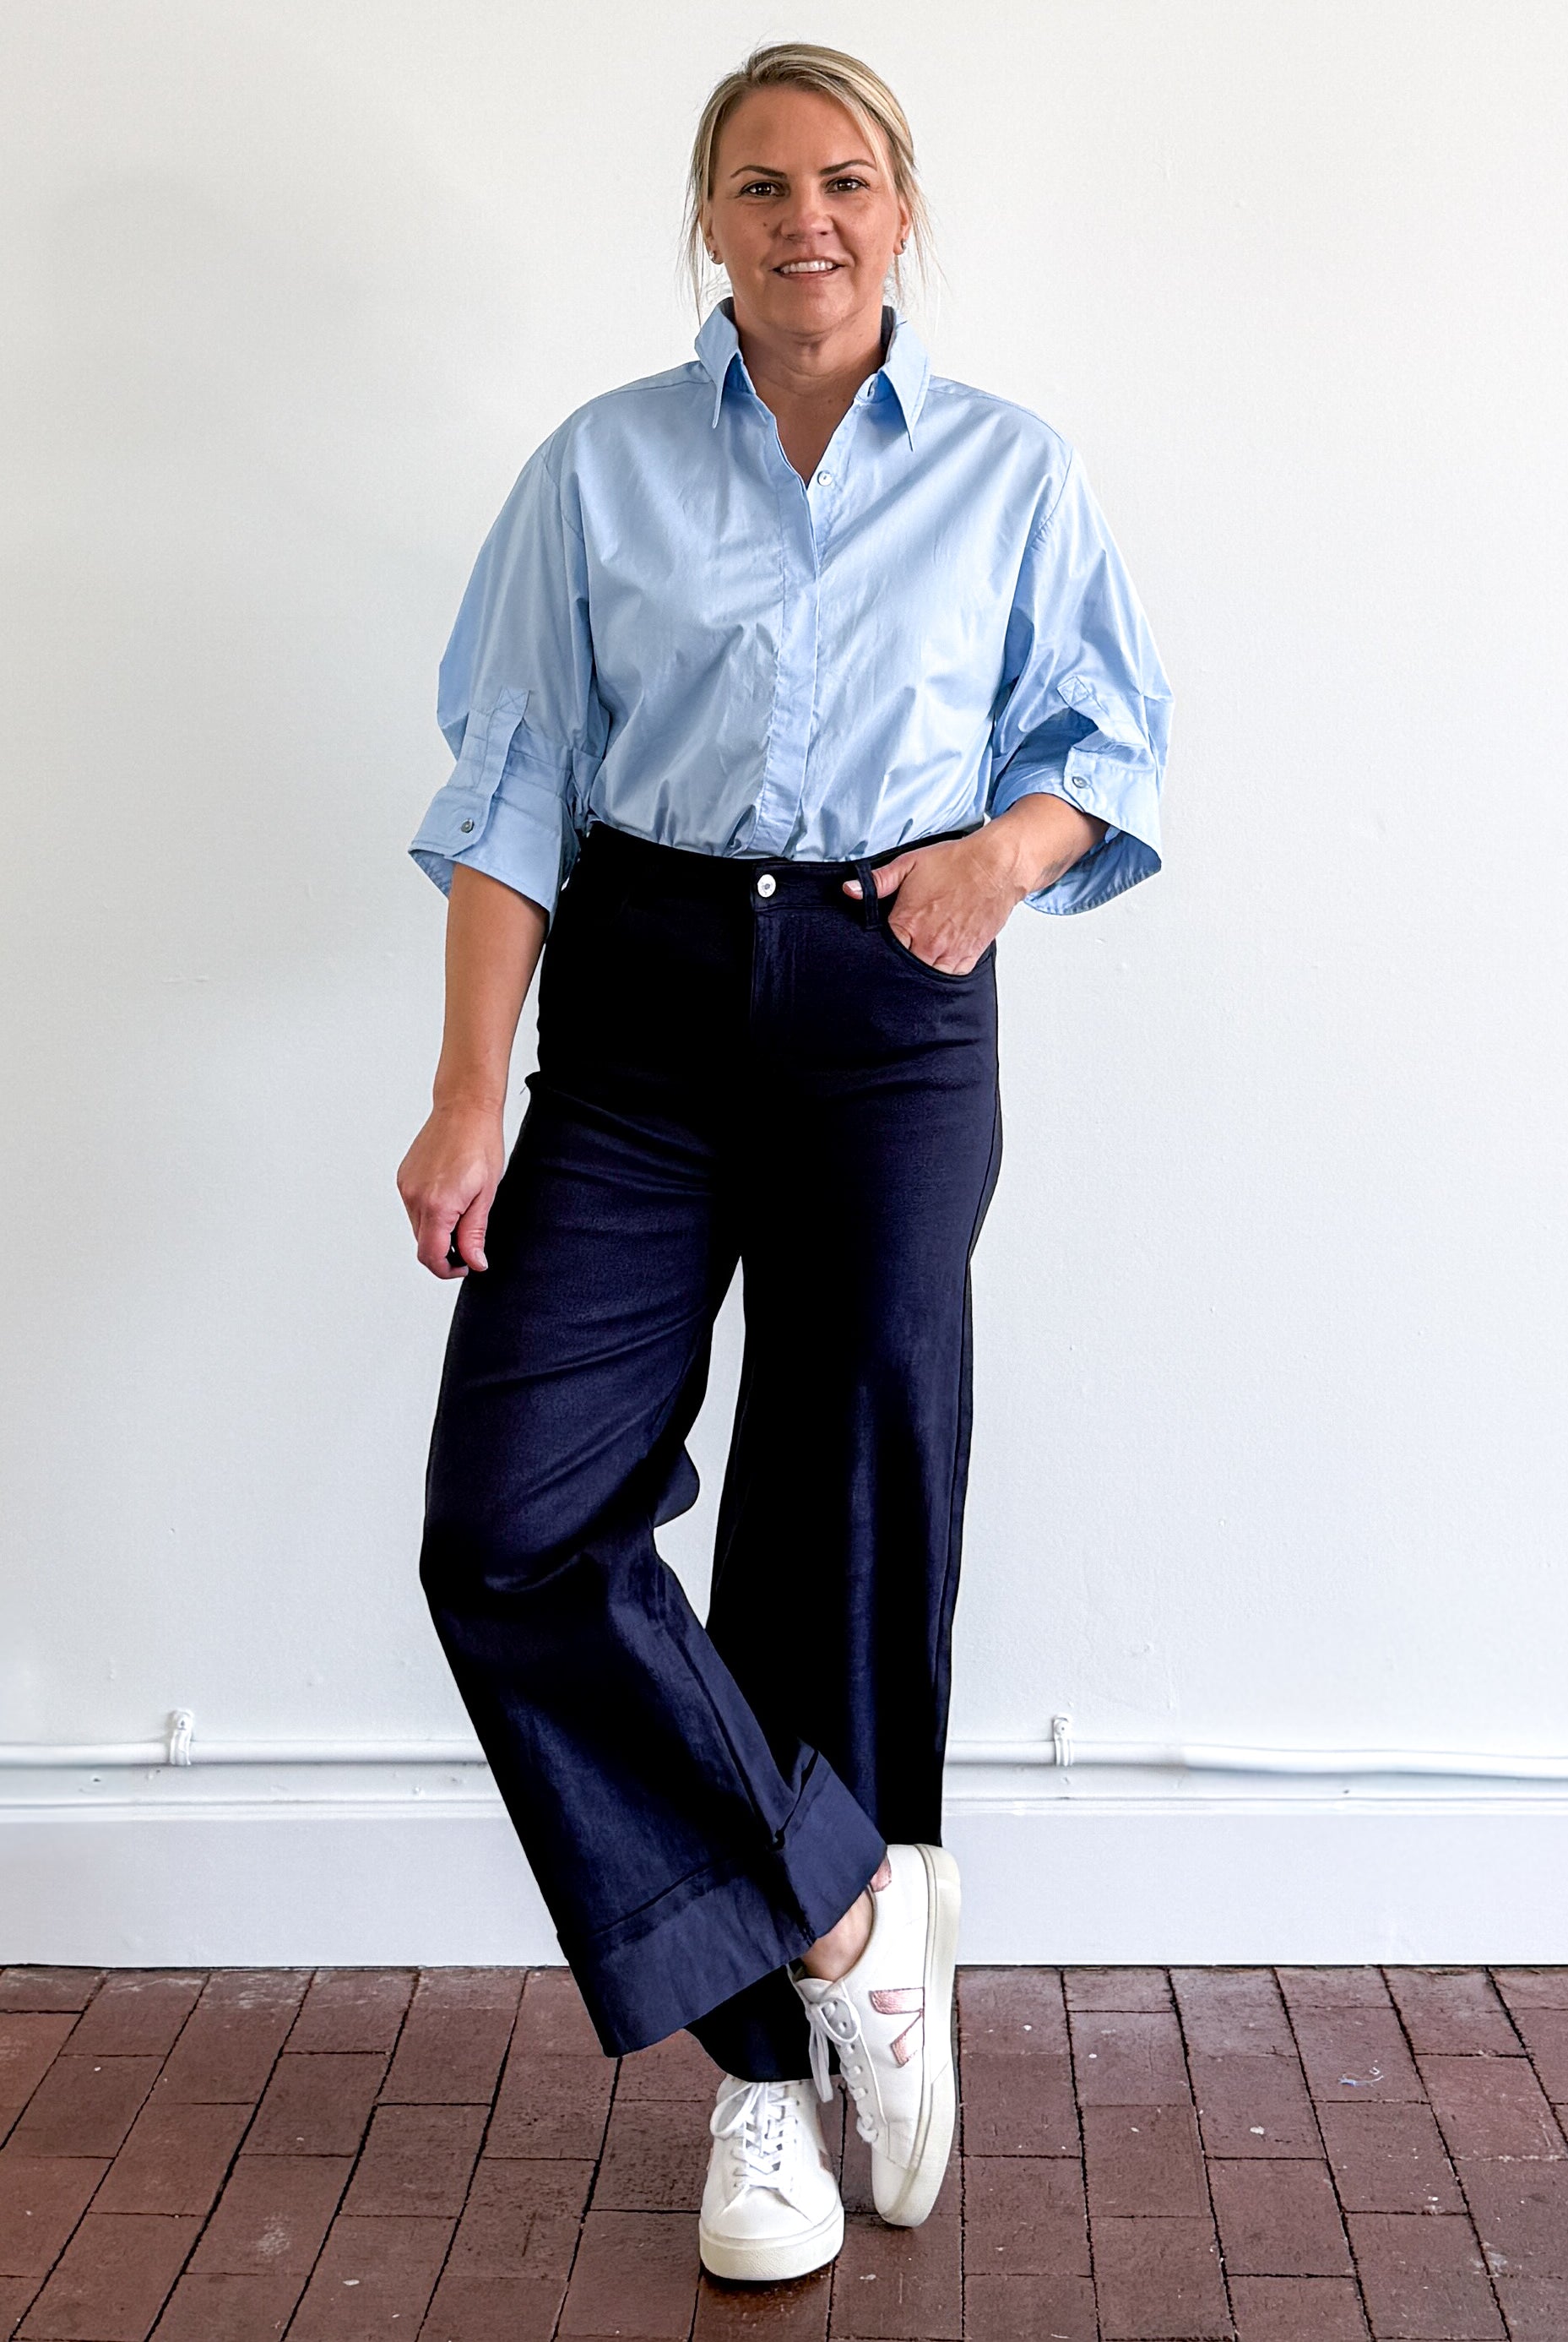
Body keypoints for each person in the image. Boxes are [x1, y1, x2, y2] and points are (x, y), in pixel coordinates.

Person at [397, 40, 1170, 2288]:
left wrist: (1000, 860)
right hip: (638, 1008)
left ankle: (768, 2088)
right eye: (758, 185)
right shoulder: (597, 467)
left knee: (840, 1510)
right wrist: (468, 1085)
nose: (802, 218)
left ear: (900, 211)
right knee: (512, 1522)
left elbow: (1112, 744)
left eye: (842, 181)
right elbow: (508, 785)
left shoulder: (1011, 469)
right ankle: (845, 1928)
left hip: (885, 1010)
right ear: (709, 221)